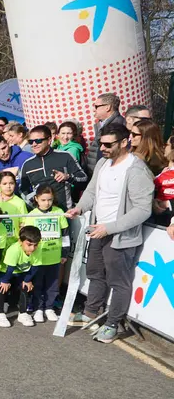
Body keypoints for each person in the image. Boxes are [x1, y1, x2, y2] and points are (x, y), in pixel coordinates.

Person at [67, 123, 154, 344]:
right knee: (96, 274)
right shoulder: (103, 164)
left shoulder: (137, 170)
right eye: (100, 143)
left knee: (118, 282)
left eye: (108, 144)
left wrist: (110, 227)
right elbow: (92, 192)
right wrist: (80, 208)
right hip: (98, 230)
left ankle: (113, 323)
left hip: (120, 237)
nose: (102, 148)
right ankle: (91, 312)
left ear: (124, 143)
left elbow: (143, 209)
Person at [23, 185, 70, 323]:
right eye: (43, 200)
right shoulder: (31, 215)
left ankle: (49, 307)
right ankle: (38, 308)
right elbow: (27, 237)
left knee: (52, 284)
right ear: (36, 199)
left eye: (49, 200)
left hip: (54, 256)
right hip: (38, 257)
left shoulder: (59, 212)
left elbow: (65, 235)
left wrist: (64, 253)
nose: (46, 203)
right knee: (38, 284)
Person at [18, 125, 88, 211]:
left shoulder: (65, 156)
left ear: (49, 140)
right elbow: (22, 191)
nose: (34, 144)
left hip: (64, 212)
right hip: (40, 215)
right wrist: (33, 205)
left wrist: (68, 177)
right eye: (31, 141)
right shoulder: (27, 164)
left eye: (38, 141)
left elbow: (84, 179)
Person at [0, 226, 41, 328]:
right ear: (21, 241)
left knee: (25, 286)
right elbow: (10, 268)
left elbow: (35, 267)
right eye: (29, 245)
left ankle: (23, 313)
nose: (32, 248)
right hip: (6, 271)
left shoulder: (37, 250)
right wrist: (5, 281)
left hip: (22, 272)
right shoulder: (14, 250)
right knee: (2, 286)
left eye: (35, 245)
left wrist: (27, 280)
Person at [86, 93, 126, 175]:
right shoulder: (102, 124)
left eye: (96, 106)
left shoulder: (118, 125)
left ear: (108, 107)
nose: (94, 110)